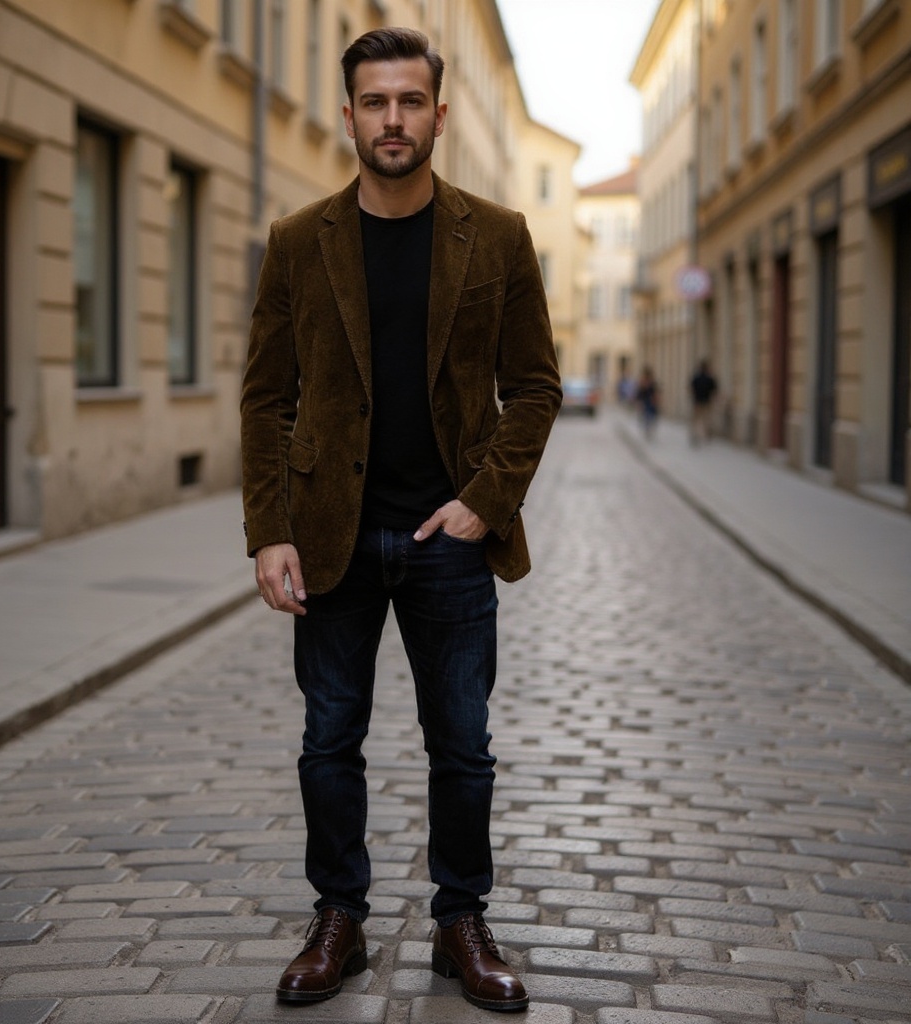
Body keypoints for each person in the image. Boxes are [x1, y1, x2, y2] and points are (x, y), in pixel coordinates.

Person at [240, 26, 562, 1013]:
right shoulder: (300, 242)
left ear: (437, 113)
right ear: (348, 115)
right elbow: (266, 397)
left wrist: (484, 502)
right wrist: (270, 530)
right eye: (374, 102)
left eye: (409, 101)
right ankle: (338, 916)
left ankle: (460, 918)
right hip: (333, 537)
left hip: (447, 542)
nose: (391, 119)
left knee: (460, 744)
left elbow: (536, 385)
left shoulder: (497, 234)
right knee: (327, 740)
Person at [689, 359, 718, 446]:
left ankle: (695, 436)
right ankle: (707, 435)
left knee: (696, 420)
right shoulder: (710, 379)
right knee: (707, 420)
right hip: (707, 402)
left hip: (697, 402)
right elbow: (715, 391)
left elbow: (691, 389)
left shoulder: (696, 378)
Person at [635, 365, 659, 440]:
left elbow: (655, 392)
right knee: (646, 416)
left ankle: (649, 430)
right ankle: (647, 430)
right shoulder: (643, 382)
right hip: (645, 401)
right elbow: (640, 393)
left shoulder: (652, 382)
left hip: (650, 401)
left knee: (650, 416)